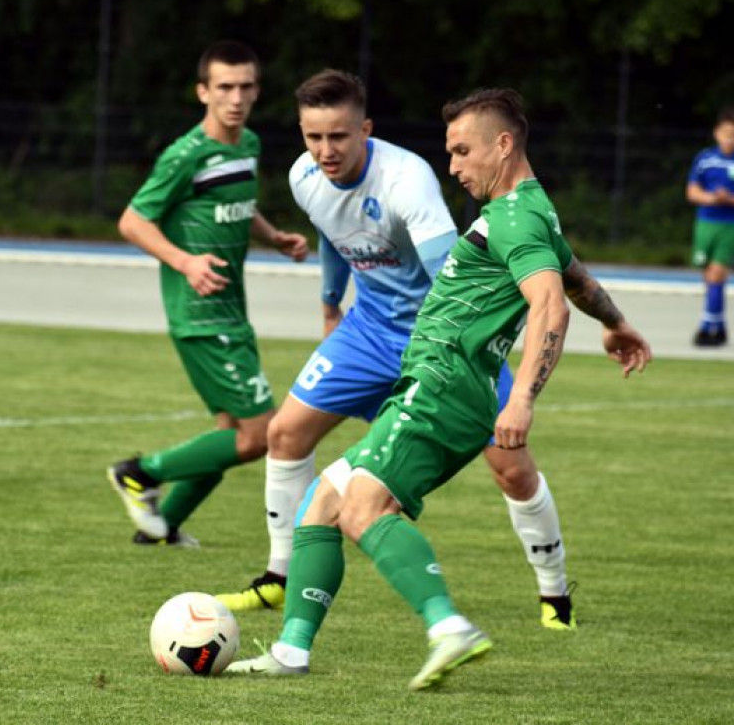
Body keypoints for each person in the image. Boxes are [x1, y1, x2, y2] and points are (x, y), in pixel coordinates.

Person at [228, 88, 652, 690]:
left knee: (363, 508)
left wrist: (525, 397)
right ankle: (293, 651)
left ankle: (447, 625)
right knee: (321, 501)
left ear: (503, 145)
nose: (452, 166)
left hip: (443, 383)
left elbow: (550, 306)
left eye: (462, 151)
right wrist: (615, 323)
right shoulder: (529, 210)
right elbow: (575, 279)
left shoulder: (516, 216)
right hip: (442, 384)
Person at [106, 40, 308, 546]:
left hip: (231, 310)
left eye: (245, 87)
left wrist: (274, 237)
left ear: (257, 90)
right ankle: (139, 472)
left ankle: (161, 530)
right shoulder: (185, 155)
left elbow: (239, 205)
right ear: (203, 92)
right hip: (200, 314)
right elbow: (132, 221)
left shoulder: (248, 145)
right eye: (224, 87)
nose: (235, 98)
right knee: (259, 435)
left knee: (227, 430)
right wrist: (185, 261)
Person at [686, 106, 734, 347]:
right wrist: (713, 198)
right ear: (717, 132)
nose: (730, 139)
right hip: (706, 223)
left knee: (717, 274)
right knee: (709, 278)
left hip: (731, 226)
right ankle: (721, 327)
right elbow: (692, 191)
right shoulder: (705, 158)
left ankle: (706, 329)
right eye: (727, 133)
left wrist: (729, 200)